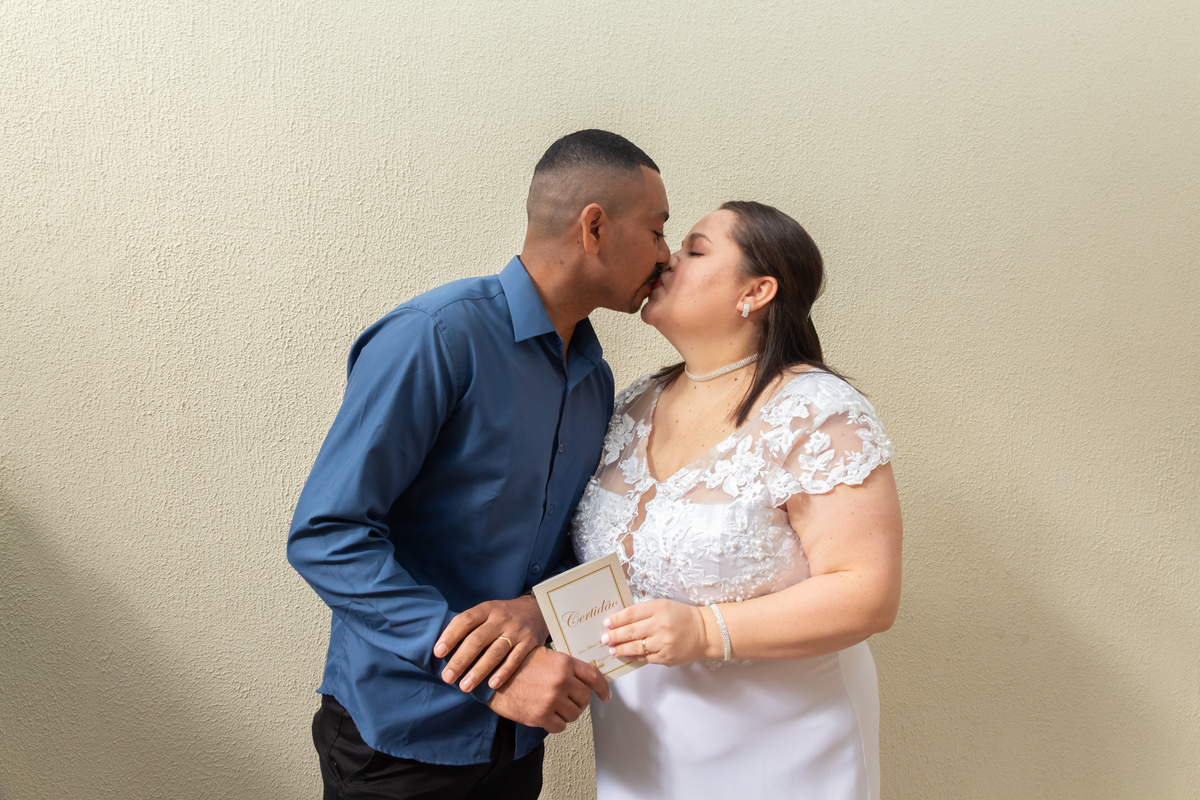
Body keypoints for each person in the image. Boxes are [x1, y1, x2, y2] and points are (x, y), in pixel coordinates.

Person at [287, 129, 671, 799]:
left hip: (516, 740)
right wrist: (493, 673)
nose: (666, 255)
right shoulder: (435, 338)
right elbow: (326, 534)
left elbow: (567, 541)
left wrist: (538, 612)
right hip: (398, 736)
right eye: (658, 229)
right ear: (594, 227)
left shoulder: (595, 378)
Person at [569, 201, 903, 799]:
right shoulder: (633, 403)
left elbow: (868, 593)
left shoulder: (817, 413)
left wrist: (704, 629)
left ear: (756, 291)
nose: (667, 259)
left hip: (783, 746)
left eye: (695, 249)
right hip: (641, 746)